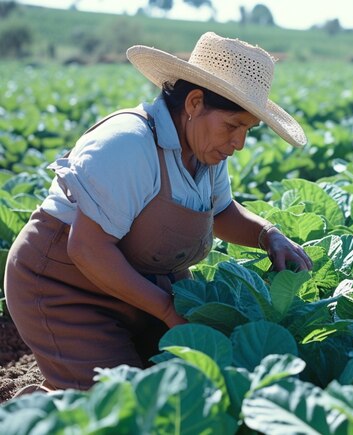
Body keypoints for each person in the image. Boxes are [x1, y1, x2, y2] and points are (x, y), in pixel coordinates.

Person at [4, 32, 312, 392]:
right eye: (233, 125)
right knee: (123, 406)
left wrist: (268, 234)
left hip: (139, 286)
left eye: (247, 129)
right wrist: (167, 311)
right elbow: (87, 248)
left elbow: (222, 211)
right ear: (195, 103)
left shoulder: (204, 148)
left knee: (192, 386)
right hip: (65, 289)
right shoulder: (127, 143)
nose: (239, 143)